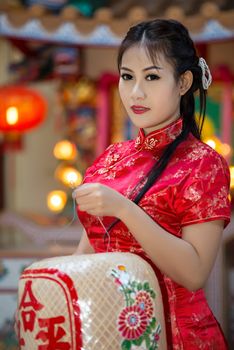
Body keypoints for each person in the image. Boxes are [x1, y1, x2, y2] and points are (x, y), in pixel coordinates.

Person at [72, 19, 231, 349]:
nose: (135, 92)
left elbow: (194, 271)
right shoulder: (111, 159)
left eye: (152, 77)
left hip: (177, 336)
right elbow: (87, 255)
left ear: (184, 82)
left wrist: (124, 209)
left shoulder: (203, 164)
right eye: (127, 77)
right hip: (109, 334)